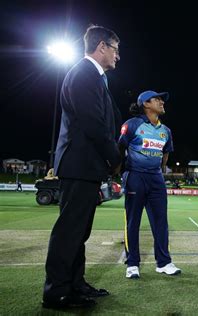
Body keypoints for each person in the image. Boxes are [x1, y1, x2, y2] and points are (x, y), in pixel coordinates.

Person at [42, 25, 122, 309]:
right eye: (115, 48)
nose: (118, 56)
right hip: (78, 164)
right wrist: (115, 157)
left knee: (79, 231)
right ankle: (56, 291)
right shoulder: (83, 74)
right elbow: (93, 124)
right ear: (101, 47)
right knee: (69, 230)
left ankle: (75, 284)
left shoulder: (92, 77)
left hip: (85, 165)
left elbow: (105, 119)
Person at [118, 90, 181, 279]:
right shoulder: (132, 125)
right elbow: (120, 148)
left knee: (161, 222)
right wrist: (122, 172)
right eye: (157, 99)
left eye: (162, 99)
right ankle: (132, 263)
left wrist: (159, 172)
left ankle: (163, 262)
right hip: (135, 176)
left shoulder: (165, 130)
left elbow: (166, 153)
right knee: (133, 221)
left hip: (156, 179)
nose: (162, 102)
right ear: (146, 104)